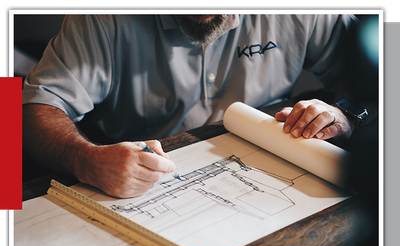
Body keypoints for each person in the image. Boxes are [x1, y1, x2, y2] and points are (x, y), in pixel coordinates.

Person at [22, 14, 363, 199]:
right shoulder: (101, 19)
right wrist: (85, 159)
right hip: (141, 179)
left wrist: (345, 112)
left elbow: (373, 75)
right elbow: (27, 109)